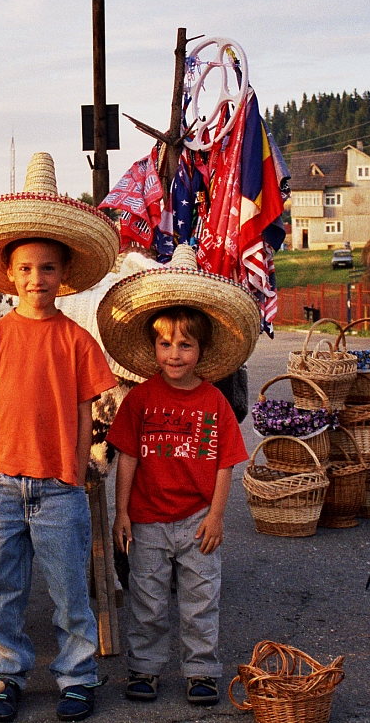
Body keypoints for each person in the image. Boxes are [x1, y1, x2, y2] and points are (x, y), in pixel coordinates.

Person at [0, 152, 120, 723]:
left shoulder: (76, 340)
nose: (36, 279)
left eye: (47, 269)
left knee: (72, 590)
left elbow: (82, 414)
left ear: (62, 275)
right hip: (1, 489)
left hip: (59, 487)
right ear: (9, 276)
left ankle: (76, 675)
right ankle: (6, 675)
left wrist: (74, 472)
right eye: (25, 269)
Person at [96, 244, 261, 706]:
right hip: (146, 519)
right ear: (153, 347)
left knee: (200, 599)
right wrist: (120, 513)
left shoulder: (214, 403)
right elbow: (126, 457)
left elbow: (227, 461)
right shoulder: (140, 400)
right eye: (165, 344)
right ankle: (145, 669)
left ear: (201, 350)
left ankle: (201, 670)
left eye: (185, 345)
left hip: (197, 521)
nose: (174, 354)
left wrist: (217, 517)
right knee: (146, 600)